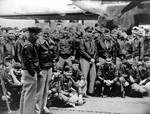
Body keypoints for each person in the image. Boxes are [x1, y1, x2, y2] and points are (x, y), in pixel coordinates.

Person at [20, 27, 41, 114]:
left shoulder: (28, 44)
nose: (37, 36)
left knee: (25, 93)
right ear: (32, 34)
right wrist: (33, 72)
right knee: (30, 96)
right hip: (29, 72)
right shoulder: (29, 45)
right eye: (36, 34)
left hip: (27, 71)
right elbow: (28, 61)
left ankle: (23, 112)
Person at [36, 28, 55, 114]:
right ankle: (37, 109)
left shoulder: (52, 42)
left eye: (47, 33)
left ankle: (43, 106)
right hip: (42, 68)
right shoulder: (38, 43)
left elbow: (54, 54)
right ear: (40, 34)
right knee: (40, 90)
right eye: (44, 33)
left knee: (46, 89)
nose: (46, 35)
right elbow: (35, 58)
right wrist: (38, 69)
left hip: (49, 67)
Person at [79, 26, 97, 96]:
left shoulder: (93, 40)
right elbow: (82, 51)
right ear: (85, 32)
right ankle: (83, 92)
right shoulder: (82, 40)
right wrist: (90, 58)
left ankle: (91, 91)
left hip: (92, 59)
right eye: (88, 32)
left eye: (91, 32)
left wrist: (94, 58)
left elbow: (95, 51)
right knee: (84, 76)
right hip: (85, 59)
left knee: (93, 75)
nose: (89, 33)